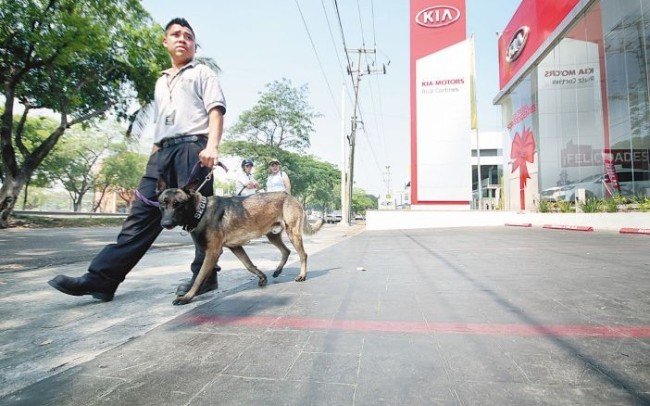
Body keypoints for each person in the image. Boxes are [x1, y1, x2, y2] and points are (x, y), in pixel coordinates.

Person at [48, 18, 226, 301]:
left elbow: (216, 110)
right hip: (162, 153)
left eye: (189, 36)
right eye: (176, 35)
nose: (182, 39)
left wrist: (212, 146)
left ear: (194, 44)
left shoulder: (202, 72)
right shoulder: (161, 81)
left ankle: (205, 278)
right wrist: (154, 156)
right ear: (165, 42)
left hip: (193, 150)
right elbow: (161, 125)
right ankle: (102, 280)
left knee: (200, 218)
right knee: (140, 217)